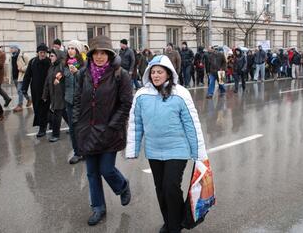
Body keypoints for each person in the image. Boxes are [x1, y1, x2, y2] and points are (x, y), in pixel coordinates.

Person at [126, 55, 208, 233]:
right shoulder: (141, 95)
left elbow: (192, 125)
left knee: (171, 186)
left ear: (168, 74)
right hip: (154, 151)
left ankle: (175, 225)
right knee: (161, 189)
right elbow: (135, 123)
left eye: (160, 72)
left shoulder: (180, 93)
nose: (156, 75)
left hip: (177, 149)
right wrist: (132, 149)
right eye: (153, 72)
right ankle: (170, 221)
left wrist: (199, 154)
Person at [73, 35, 132, 226]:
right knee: (91, 172)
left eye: (103, 53)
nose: (99, 57)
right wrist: (76, 121)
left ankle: (122, 186)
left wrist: (112, 125)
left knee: (106, 169)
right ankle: (98, 207)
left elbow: (126, 104)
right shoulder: (83, 73)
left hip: (109, 131)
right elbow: (77, 98)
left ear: (109, 54)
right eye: (95, 53)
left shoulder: (120, 75)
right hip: (88, 130)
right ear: (90, 55)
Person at [22, 43, 51, 137]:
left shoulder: (49, 62)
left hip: (47, 90)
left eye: (44, 52)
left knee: (44, 109)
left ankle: (42, 129)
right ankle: (50, 120)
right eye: (41, 52)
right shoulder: (33, 61)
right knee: (37, 109)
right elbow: (27, 76)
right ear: (37, 52)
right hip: (35, 90)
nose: (43, 54)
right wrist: (24, 88)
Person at [64, 41, 85, 164]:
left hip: (81, 101)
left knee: (82, 128)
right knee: (72, 128)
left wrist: (76, 73)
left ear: (78, 51)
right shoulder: (65, 65)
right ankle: (77, 152)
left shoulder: (83, 66)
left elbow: (86, 82)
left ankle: (85, 151)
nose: (70, 50)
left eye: (73, 48)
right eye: (69, 48)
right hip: (69, 100)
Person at [42, 49, 68, 143]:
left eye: (52, 56)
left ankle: (55, 135)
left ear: (57, 57)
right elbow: (47, 82)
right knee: (64, 112)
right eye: (50, 55)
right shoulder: (51, 67)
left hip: (60, 94)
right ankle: (74, 128)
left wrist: (59, 77)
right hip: (54, 94)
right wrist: (45, 95)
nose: (50, 57)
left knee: (57, 114)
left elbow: (64, 75)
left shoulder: (62, 66)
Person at [9, 45, 32, 112]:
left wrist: (22, 69)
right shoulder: (11, 56)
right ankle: (29, 99)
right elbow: (11, 67)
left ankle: (20, 105)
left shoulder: (23, 55)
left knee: (19, 90)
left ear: (16, 48)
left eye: (12, 48)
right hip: (15, 77)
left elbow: (29, 65)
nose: (10, 49)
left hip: (22, 76)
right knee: (22, 91)